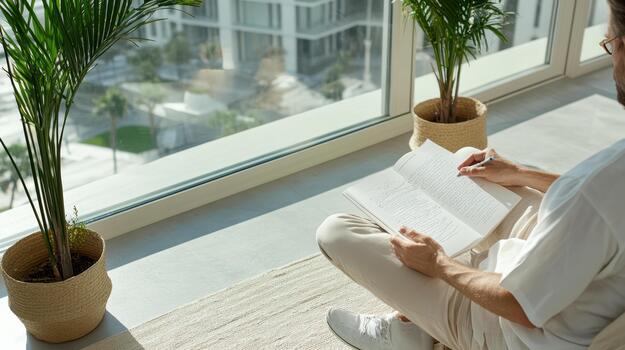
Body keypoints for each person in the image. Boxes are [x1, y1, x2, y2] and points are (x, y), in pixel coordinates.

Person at [316, 1, 625, 349]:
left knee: (336, 232)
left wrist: (439, 264)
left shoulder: (596, 188)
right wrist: (520, 174)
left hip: (512, 329)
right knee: (468, 166)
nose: (609, 56)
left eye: (610, 44)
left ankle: (412, 331)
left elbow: (520, 305)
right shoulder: (601, 182)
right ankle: (418, 318)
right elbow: (600, 205)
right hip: (572, 272)